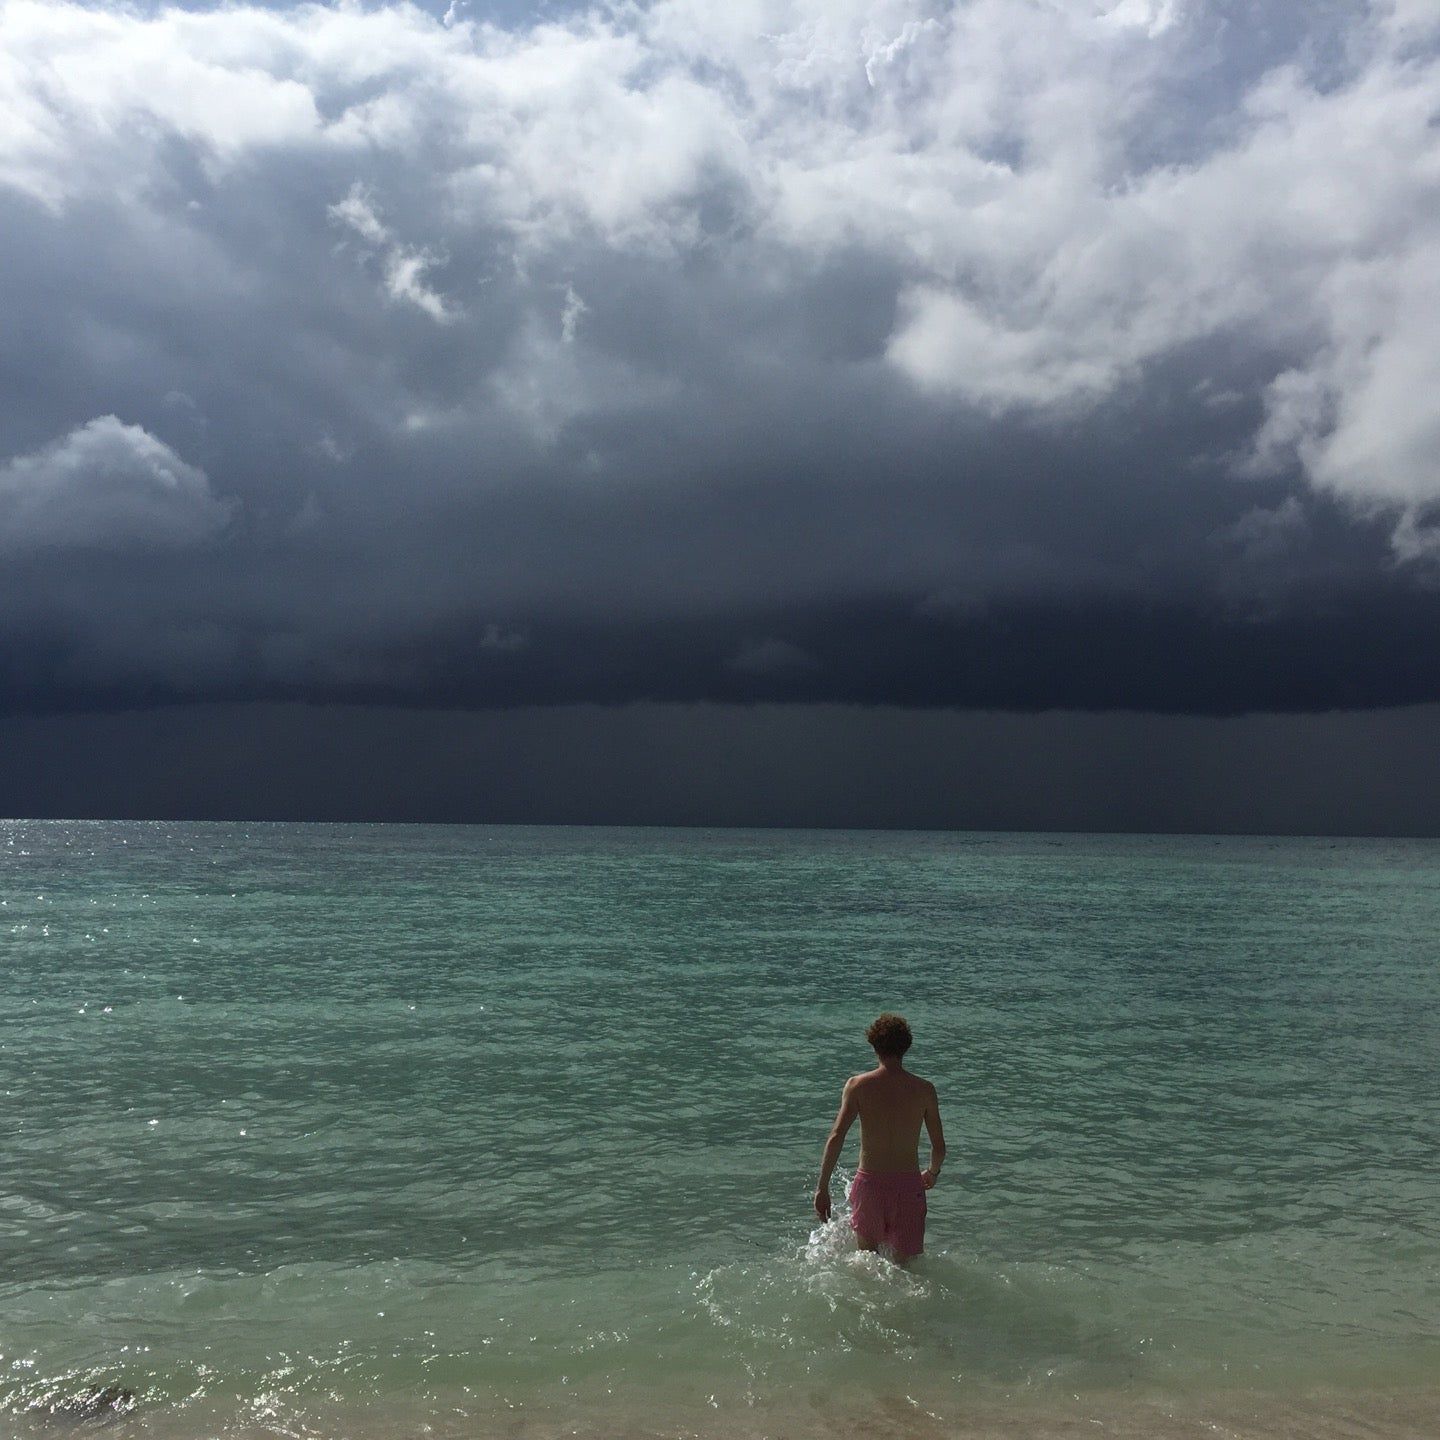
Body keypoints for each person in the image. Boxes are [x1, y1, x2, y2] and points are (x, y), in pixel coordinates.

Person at [813, 1013, 945, 1262]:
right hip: (908, 1187)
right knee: (906, 1268)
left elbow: (836, 1137)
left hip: (870, 1186)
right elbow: (939, 1147)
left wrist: (822, 1188)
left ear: (874, 1046)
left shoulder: (858, 1086)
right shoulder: (924, 1090)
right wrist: (933, 1173)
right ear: (906, 1047)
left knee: (867, 1264)